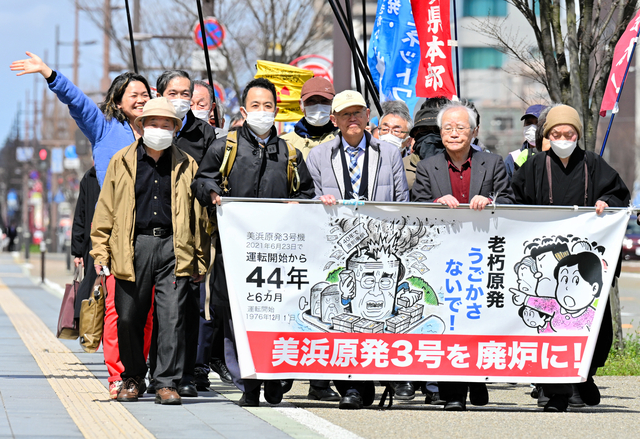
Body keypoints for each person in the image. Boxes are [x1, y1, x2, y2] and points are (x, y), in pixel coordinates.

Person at [192, 78, 314, 407]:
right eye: (255, 106)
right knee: (237, 322)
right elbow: (202, 180)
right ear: (244, 111)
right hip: (236, 254)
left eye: (268, 106)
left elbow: (306, 192)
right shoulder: (225, 146)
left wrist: (298, 204)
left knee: (278, 318)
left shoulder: (289, 152)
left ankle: (277, 378)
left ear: (277, 111)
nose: (262, 112)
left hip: (278, 257)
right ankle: (248, 385)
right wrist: (213, 193)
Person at [511, 104, 630, 412]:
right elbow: (514, 200)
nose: (563, 138)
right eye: (556, 133)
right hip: (549, 267)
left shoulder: (594, 164)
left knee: (592, 325)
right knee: (549, 323)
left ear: (578, 135)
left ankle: (582, 377)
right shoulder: (535, 166)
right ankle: (553, 387)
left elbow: (619, 195)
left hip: (585, 268)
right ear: (546, 136)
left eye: (569, 133)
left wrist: (607, 201)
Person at [91, 97, 210, 406]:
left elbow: (198, 216)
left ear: (176, 127)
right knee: (129, 317)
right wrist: (100, 252)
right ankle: (132, 377)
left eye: (167, 124)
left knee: (172, 319)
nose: (160, 129)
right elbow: (105, 209)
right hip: (133, 246)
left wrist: (199, 259)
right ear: (141, 126)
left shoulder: (187, 164)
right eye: (153, 123)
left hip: (174, 246)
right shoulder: (122, 160)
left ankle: (166, 382)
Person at [306, 90, 409, 410]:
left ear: (368, 116)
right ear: (334, 120)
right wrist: (317, 204)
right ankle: (351, 385)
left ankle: (363, 385)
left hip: (379, 248)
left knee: (375, 314)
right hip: (337, 248)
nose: (352, 119)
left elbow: (402, 201)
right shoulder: (319, 156)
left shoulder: (389, 154)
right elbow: (309, 201)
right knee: (345, 312)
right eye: (344, 114)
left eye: (357, 112)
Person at [412, 103, 515, 411]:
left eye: (460, 127)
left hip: (480, 257)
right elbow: (415, 206)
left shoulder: (493, 162)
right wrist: (434, 201)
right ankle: (454, 391)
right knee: (450, 318)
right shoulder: (428, 165)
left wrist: (491, 199)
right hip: (443, 259)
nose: (454, 133)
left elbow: (509, 200)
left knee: (477, 318)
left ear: (474, 131)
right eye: (447, 128)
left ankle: (476, 377)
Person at [10, 52, 151, 187]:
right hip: (115, 210)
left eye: (145, 95)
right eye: (134, 95)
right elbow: (78, 101)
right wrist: (49, 73)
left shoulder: (160, 130)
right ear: (118, 103)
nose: (141, 100)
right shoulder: (105, 129)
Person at [281, 77, 338, 160]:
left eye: (324, 100)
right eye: (311, 101)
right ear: (301, 105)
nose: (318, 106)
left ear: (333, 103)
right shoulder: (285, 144)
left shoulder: (345, 138)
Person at [404, 97, 450, 190]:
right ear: (415, 134)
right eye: (424, 130)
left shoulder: (463, 165)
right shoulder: (401, 166)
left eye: (437, 130)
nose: (431, 137)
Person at [504, 104, 547, 182]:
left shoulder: (554, 156)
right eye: (528, 123)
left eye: (537, 123)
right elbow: (505, 191)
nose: (532, 127)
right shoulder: (513, 159)